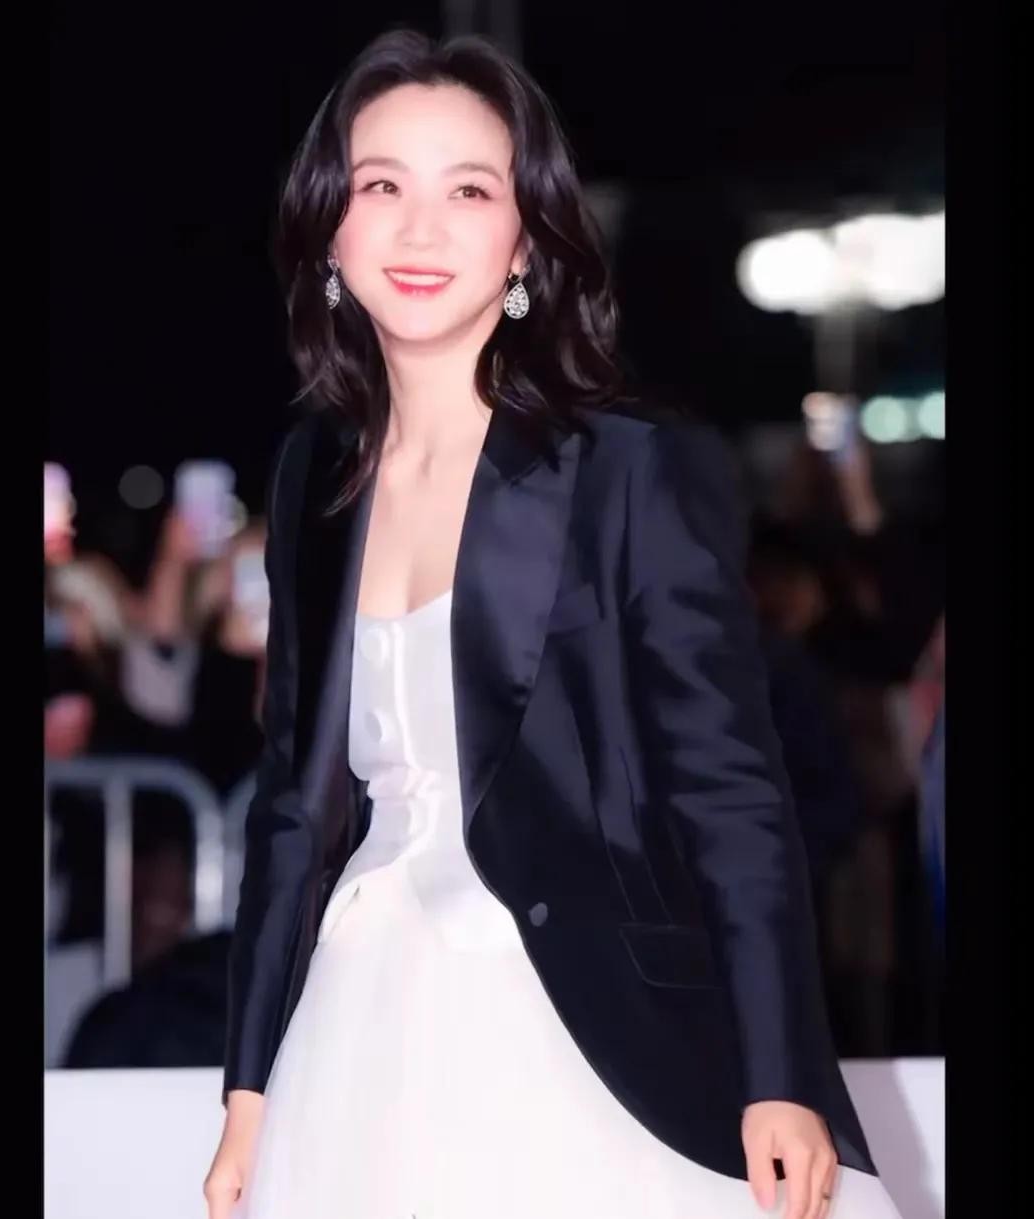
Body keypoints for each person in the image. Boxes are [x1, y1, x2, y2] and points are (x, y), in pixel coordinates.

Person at [205, 30, 901, 1219]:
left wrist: (780, 1070)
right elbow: (291, 809)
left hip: (590, 1020)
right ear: (330, 228)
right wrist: (248, 1091)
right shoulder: (312, 474)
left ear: (526, 238)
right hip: (359, 1025)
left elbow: (730, 793)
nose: (421, 230)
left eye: (470, 191)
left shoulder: (628, 466)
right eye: (382, 186)